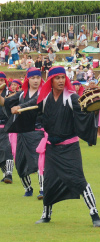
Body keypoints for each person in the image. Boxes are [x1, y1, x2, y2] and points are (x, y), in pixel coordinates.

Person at [10, 66, 100, 227]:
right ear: (51, 80)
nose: (61, 81)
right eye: (57, 78)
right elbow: (31, 104)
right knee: (49, 181)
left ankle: (94, 214)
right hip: (52, 148)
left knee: (79, 180)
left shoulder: (71, 97)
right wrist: (19, 108)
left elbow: (83, 113)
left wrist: (93, 110)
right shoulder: (44, 98)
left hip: (70, 148)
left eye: (62, 78)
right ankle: (46, 214)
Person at [2, 68, 45, 198]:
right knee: (20, 162)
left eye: (38, 77)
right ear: (28, 79)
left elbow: (35, 102)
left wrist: (20, 107)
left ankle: (43, 189)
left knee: (40, 162)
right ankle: (28, 188)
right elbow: (5, 102)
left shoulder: (45, 93)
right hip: (22, 133)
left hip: (38, 131)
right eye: (33, 78)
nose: (36, 80)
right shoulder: (21, 94)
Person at [0, 72, 14, 184]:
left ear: (5, 81)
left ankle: (9, 173)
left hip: (6, 126)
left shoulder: (10, 94)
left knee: (7, 149)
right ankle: (5, 173)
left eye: (1, 80)